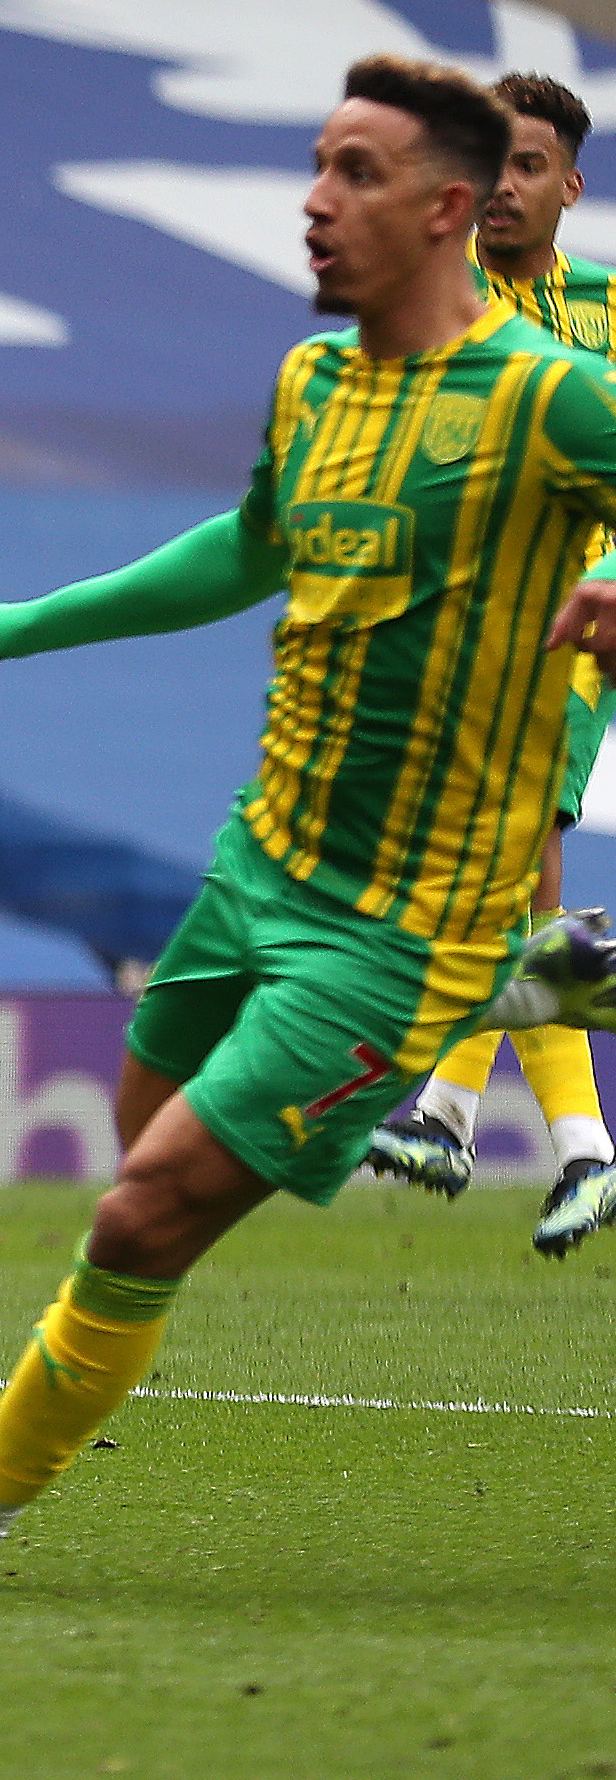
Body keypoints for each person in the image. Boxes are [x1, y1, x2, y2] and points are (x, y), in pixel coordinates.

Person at [0, 58, 616, 1595]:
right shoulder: (308, 384)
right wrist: (21, 622)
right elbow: (242, 550)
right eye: (314, 166)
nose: (313, 203)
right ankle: (525, 978)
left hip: (401, 912)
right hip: (259, 859)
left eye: (355, 173)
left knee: (141, 1213)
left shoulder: (548, 398)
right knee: (140, 1135)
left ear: (448, 207)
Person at [362, 71, 616, 1253]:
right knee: (507, 882)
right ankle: (553, 1143)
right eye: (488, 166)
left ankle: (470, 1121)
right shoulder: (440, 325)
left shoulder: (608, 308)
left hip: (578, 630)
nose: (502, 189)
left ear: (569, 183)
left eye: (527, 167)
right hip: (488, 631)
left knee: (514, 864)